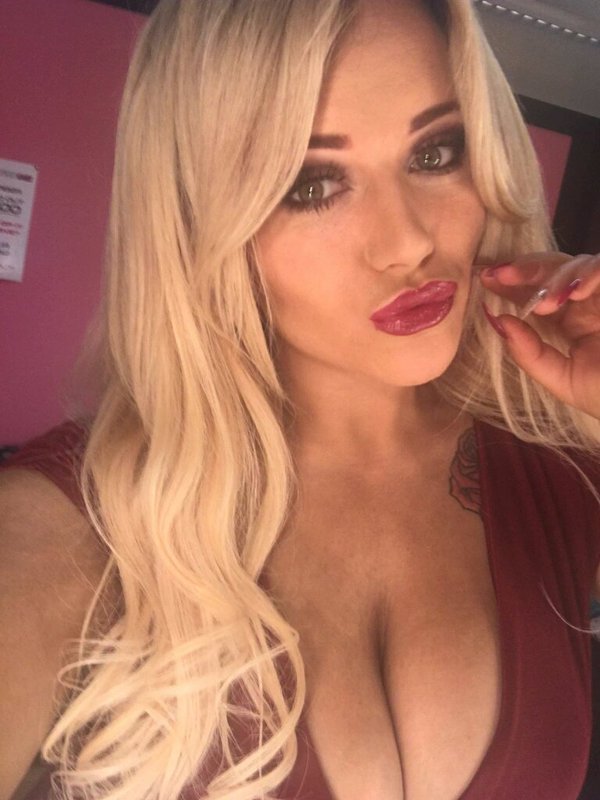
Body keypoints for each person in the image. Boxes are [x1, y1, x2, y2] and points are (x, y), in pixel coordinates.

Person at [1, 0, 600, 798]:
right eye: (312, 184)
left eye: (435, 152)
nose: (409, 242)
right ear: (201, 221)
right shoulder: (72, 530)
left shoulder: (564, 462)